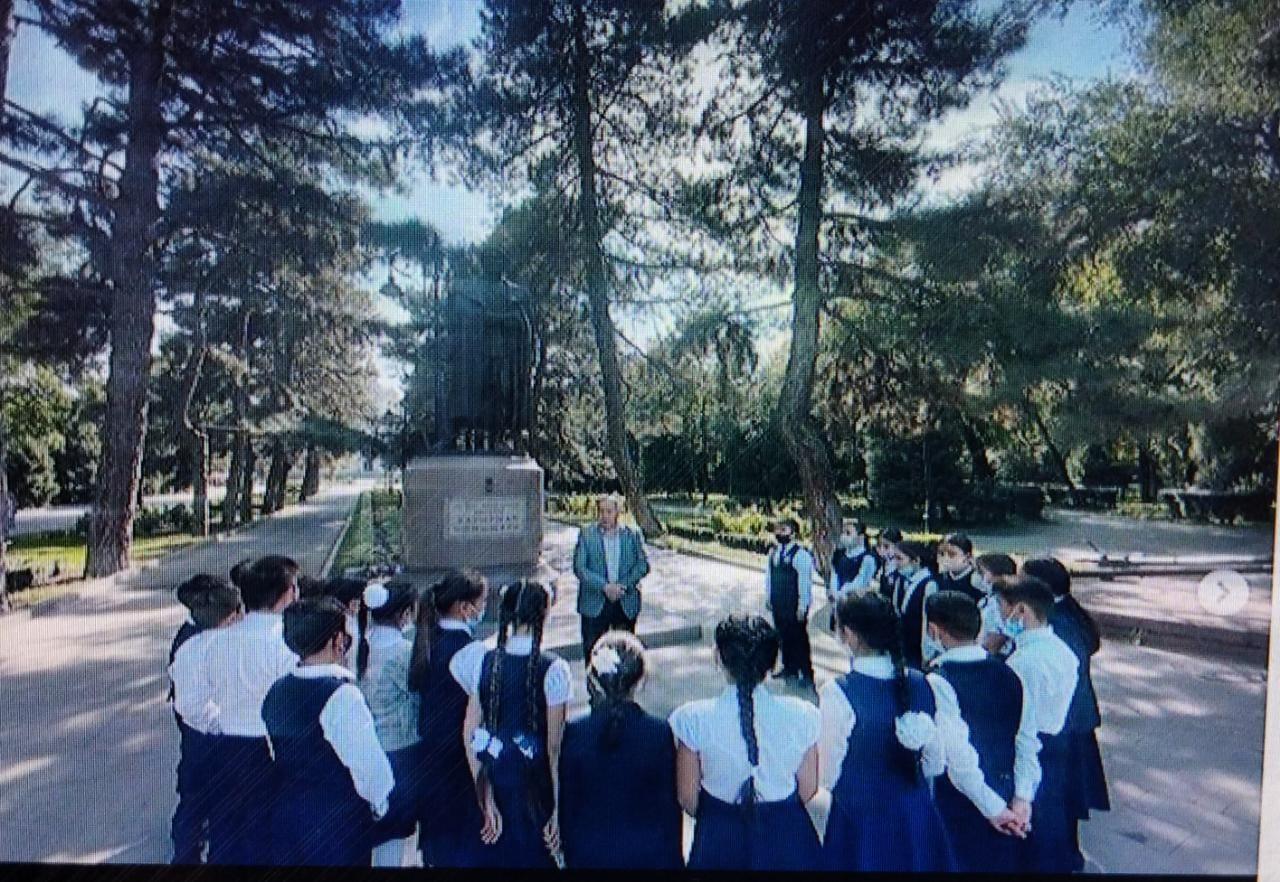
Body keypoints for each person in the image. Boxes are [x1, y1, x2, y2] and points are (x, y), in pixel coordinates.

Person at [818, 593, 956, 872]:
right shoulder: (923, 683)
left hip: (859, 817)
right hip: (913, 812)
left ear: (849, 634)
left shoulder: (838, 692)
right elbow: (935, 763)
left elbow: (828, 771)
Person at [670, 615, 821, 871]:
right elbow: (808, 789)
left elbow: (687, 798)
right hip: (787, 837)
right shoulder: (803, 716)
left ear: (718, 657)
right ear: (773, 663)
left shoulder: (693, 719)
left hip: (719, 837)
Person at [178, 556, 300, 865]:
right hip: (272, 749)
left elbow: (190, 705)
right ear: (287, 594)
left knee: (226, 832)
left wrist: (217, 724)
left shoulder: (212, 642)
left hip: (225, 747)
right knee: (267, 836)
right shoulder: (287, 642)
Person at [262, 596, 395, 866]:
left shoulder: (277, 689)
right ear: (338, 640)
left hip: (287, 813)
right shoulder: (342, 695)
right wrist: (380, 804)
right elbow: (369, 767)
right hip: (336, 821)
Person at [451, 580, 571, 869]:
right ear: (544, 614)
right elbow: (554, 748)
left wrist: (484, 796)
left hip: (494, 777)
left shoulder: (484, 661)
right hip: (536, 787)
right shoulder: (553, 668)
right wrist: (558, 810)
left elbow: (470, 733)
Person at [924, 591, 1042, 873]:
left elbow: (958, 759)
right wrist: (1022, 797)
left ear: (935, 630)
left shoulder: (939, 681)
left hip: (964, 802)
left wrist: (995, 809)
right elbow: (1026, 741)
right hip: (1007, 793)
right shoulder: (1009, 673)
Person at [558, 632, 683, 870]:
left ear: (594, 680)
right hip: (649, 855)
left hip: (589, 855)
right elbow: (668, 808)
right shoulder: (658, 733)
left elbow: (569, 807)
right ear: (641, 680)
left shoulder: (575, 732)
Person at [1023, 557, 1111, 868]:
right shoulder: (1066, 615)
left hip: (1066, 724)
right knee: (1067, 796)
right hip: (1072, 721)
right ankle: (1068, 853)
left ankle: (1062, 857)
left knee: (1058, 796)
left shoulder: (1060, 625)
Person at [994, 575, 1080, 874]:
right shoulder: (1063, 651)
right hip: (1057, 742)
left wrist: (1022, 792)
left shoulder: (1024, 663)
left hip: (1032, 748)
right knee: (1052, 823)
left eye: (1002, 608)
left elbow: (1025, 729)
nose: (1000, 617)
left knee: (1032, 832)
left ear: (1021, 610)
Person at [407, 569, 490, 868]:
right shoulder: (472, 652)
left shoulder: (425, 640)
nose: (483, 609)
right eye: (482, 603)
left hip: (429, 761)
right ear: (465, 607)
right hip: (459, 764)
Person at [168, 575, 244, 864]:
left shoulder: (196, 637)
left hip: (198, 734)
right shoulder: (198, 646)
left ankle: (188, 853)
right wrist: (219, 725)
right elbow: (192, 704)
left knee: (195, 800)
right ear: (228, 616)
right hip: (207, 734)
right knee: (203, 802)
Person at [354, 580, 422, 868]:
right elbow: (418, 698)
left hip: (363, 751)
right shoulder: (404, 652)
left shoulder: (358, 646)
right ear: (405, 613)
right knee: (394, 835)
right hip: (400, 751)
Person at [572, 494, 650, 658]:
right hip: (594, 604)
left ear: (618, 512)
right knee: (593, 654)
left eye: (609, 511)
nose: (604, 516)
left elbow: (643, 565)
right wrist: (605, 587)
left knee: (625, 656)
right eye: (601, 511)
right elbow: (580, 568)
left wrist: (622, 586)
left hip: (624, 603)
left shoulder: (632, 535)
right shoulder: (587, 534)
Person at [765, 518, 815, 687]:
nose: (779, 533)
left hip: (794, 605)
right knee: (783, 637)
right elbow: (769, 577)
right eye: (778, 530)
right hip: (778, 603)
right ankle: (789, 668)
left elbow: (804, 582)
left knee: (798, 639)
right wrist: (768, 597)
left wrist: (803, 606)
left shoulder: (801, 555)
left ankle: (806, 674)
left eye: (784, 530)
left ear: (793, 533)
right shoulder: (774, 553)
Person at [889, 540, 941, 669]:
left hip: (918, 647)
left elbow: (927, 620)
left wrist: (927, 653)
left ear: (916, 561)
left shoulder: (928, 584)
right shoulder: (901, 580)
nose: (896, 563)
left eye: (900, 559)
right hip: (903, 644)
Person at [827, 517, 880, 630]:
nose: (844, 536)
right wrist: (833, 592)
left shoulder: (867, 558)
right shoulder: (839, 554)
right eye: (843, 532)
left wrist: (841, 594)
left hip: (854, 605)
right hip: (837, 604)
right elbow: (834, 574)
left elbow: (860, 582)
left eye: (848, 533)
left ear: (860, 537)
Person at [974, 553, 1017, 657]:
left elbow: (997, 639)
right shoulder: (986, 600)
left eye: (981, 572)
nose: (977, 576)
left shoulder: (1002, 602)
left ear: (999, 575)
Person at [936, 534, 984, 603]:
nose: (946, 558)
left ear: (967, 556)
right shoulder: (938, 580)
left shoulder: (979, 582)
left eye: (952, 554)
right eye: (943, 554)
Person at [876, 527, 904, 601]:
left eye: (886, 546)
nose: (881, 549)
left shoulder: (901, 568)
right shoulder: (883, 563)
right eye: (879, 545)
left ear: (897, 546)